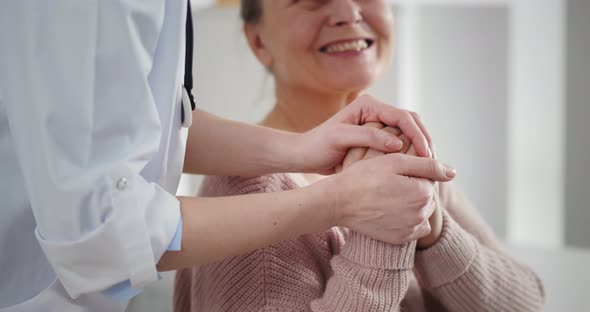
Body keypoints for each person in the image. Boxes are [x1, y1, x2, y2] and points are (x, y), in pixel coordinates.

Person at [0, 1, 454, 311]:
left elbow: (148, 123)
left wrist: (305, 151)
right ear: (257, 42)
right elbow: (99, 224)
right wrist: (353, 214)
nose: (347, 12)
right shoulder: (254, 195)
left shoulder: (394, 159)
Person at [173, 0, 545, 311]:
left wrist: (434, 229)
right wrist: (384, 234)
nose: (348, 11)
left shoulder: (400, 153)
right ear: (258, 42)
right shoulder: (245, 191)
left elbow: (528, 302)